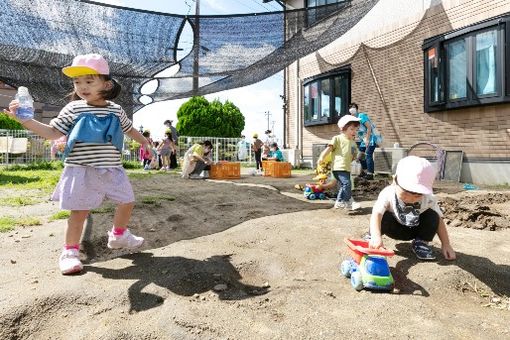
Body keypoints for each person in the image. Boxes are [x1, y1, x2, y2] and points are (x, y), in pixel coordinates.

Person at [4, 53, 149, 275]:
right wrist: (25, 120)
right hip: (80, 169)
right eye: (77, 81)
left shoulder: (116, 109)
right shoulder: (73, 109)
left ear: (106, 84)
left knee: (127, 201)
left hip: (111, 168)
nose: (82, 86)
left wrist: (144, 142)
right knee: (79, 213)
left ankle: (118, 235)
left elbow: (129, 129)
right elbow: (52, 132)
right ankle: (69, 252)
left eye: (89, 81)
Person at [367, 156, 456, 261]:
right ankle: (371, 237)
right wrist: (376, 236)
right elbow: (376, 213)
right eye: (405, 194)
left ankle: (421, 242)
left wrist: (446, 244)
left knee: (433, 215)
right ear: (395, 180)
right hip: (393, 229)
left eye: (417, 196)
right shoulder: (388, 193)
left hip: (413, 230)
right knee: (382, 214)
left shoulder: (428, 198)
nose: (410, 199)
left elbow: (439, 221)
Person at [318, 115, 361, 211]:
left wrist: (355, 156)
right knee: (346, 184)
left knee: (345, 185)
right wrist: (322, 156)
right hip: (338, 167)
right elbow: (329, 148)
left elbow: (354, 154)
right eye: (351, 129)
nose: (354, 132)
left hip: (346, 168)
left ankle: (343, 202)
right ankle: (344, 201)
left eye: (356, 130)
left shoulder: (353, 142)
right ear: (343, 129)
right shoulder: (337, 138)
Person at [349, 103, 382, 180]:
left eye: (353, 107)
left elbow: (369, 127)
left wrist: (367, 139)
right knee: (360, 156)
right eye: (350, 108)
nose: (352, 109)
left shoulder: (361, 116)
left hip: (372, 138)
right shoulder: (353, 120)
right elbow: (356, 132)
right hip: (364, 140)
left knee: (368, 154)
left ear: (356, 109)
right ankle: (365, 172)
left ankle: (370, 174)